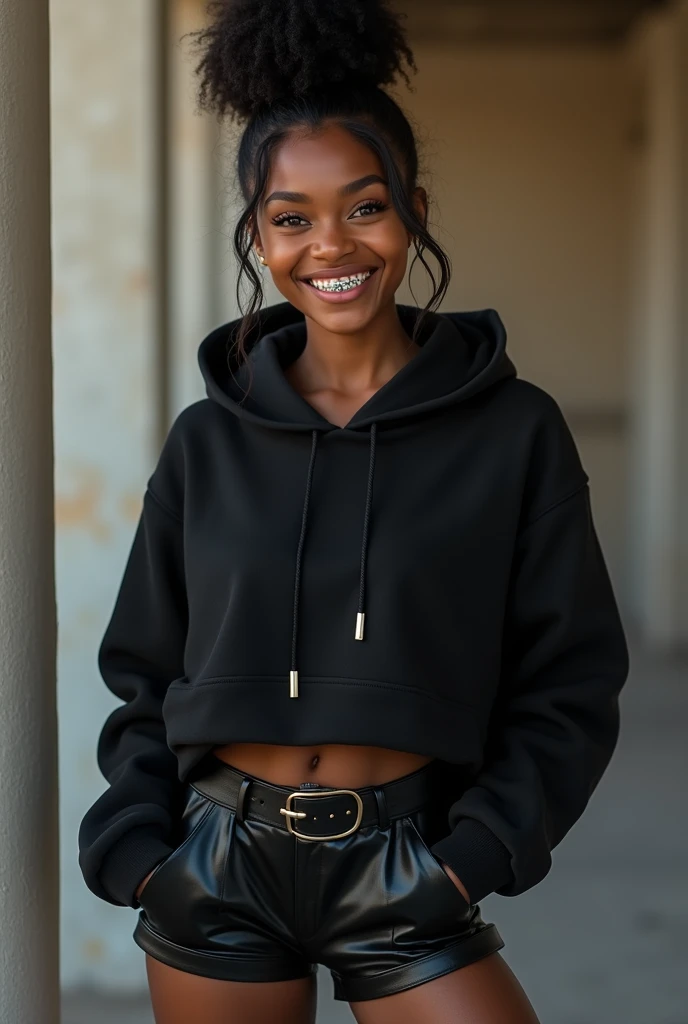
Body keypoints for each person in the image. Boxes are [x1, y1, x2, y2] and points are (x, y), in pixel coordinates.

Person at [78, 1, 630, 1021]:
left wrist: (472, 857)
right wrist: (141, 851)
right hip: (215, 866)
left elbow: (571, 675)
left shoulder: (513, 430)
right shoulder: (210, 439)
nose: (330, 244)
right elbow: (146, 670)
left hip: (409, 866)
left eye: (364, 206)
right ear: (258, 235)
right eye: (291, 217)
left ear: (413, 208)